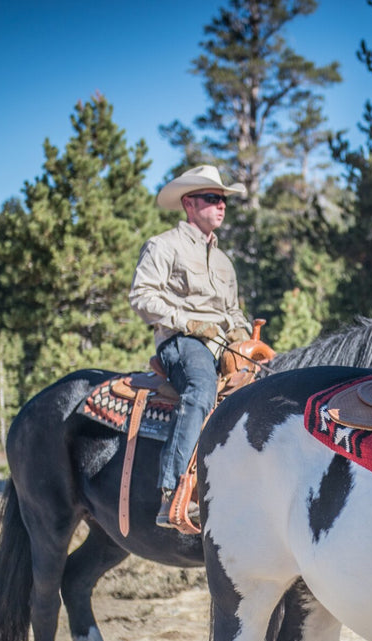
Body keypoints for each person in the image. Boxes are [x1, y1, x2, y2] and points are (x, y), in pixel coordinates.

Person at [129, 165, 252, 529]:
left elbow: (233, 311)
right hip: (181, 341)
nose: (221, 206)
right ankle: (173, 491)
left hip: (222, 344)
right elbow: (142, 296)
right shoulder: (163, 246)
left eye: (224, 200)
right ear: (188, 204)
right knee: (200, 389)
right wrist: (188, 322)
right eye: (213, 198)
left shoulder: (225, 262)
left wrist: (244, 337)